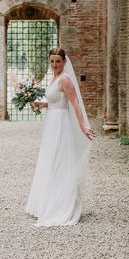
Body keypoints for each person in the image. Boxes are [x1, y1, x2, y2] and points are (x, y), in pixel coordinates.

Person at [25, 47, 96, 226]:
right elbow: (56, 101)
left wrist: (83, 126)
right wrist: (41, 104)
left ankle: (62, 204)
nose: (54, 64)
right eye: (52, 61)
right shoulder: (55, 77)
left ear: (64, 62)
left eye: (58, 61)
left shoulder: (65, 79)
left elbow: (75, 104)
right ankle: (47, 201)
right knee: (50, 159)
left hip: (61, 124)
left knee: (59, 159)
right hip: (52, 123)